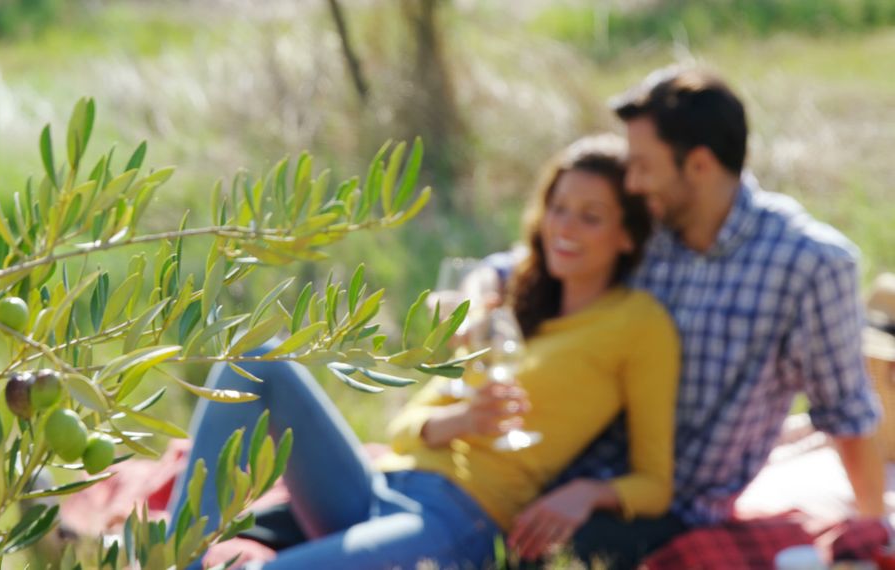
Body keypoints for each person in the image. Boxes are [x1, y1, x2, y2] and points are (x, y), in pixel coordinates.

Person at [165, 134, 680, 569]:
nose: (564, 228)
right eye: (559, 208)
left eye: (590, 217)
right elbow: (404, 428)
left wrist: (590, 492)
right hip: (376, 485)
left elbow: (656, 483)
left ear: (628, 236)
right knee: (254, 352)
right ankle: (176, 555)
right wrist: (463, 420)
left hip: (453, 519)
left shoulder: (640, 325)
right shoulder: (518, 303)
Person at [508, 66, 887, 569]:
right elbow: (542, 256)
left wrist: (873, 532)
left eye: (643, 166)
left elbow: (847, 414)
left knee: (523, 555)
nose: (633, 182)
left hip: (672, 511)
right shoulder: (650, 230)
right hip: (560, 465)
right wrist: (473, 289)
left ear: (700, 165)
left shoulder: (808, 264)